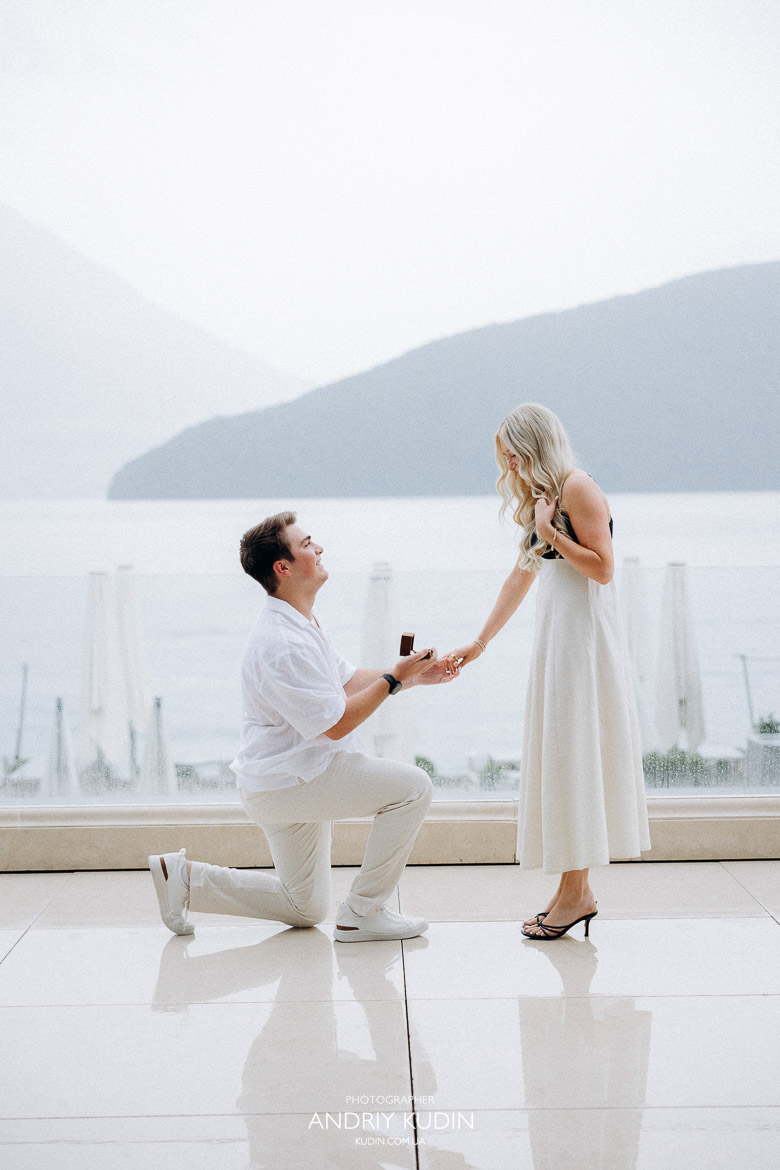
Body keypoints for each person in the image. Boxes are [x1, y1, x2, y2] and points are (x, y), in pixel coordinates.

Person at [149, 512, 457, 943]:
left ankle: (183, 878)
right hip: (293, 781)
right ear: (283, 567)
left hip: (287, 780)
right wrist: (395, 679)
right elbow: (335, 723)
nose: (320, 548)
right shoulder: (281, 642)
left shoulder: (299, 621)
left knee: (304, 907)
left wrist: (414, 676)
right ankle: (363, 912)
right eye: (308, 543)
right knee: (414, 788)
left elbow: (347, 682)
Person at [449, 403, 650, 939]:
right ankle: (573, 892)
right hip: (559, 642)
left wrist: (552, 533)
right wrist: (479, 643)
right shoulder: (544, 498)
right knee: (565, 760)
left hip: (584, 644)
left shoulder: (578, 488)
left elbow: (604, 569)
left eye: (515, 456)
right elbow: (520, 578)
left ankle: (575, 894)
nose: (510, 468)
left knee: (575, 756)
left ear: (536, 447)